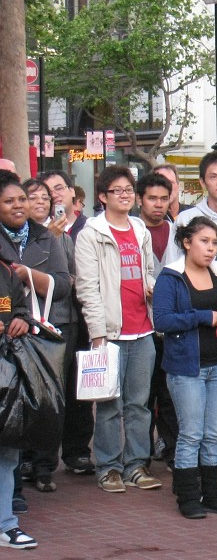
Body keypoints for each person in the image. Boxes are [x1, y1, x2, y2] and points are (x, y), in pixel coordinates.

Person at [75, 165, 161, 493]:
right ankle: (109, 467)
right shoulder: (91, 234)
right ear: (102, 196)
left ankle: (137, 465)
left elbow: (147, 270)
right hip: (110, 331)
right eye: (117, 191)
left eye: (128, 190)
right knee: (109, 404)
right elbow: (87, 287)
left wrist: (153, 287)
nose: (125, 195)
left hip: (143, 329)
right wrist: (97, 331)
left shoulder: (139, 229)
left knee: (138, 404)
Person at [152, 216, 217, 519]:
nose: (211, 249)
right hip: (186, 367)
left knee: (214, 434)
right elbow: (162, 321)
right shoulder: (170, 277)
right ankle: (188, 497)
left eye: (215, 243)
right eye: (205, 241)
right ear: (186, 242)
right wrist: (201, 316)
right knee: (191, 433)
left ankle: (214, 495)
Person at [0, 174, 72, 493]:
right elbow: (6, 295)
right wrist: (11, 314)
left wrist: (29, 275)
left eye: (22, 200)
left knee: (37, 404)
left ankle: (38, 470)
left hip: (35, 335)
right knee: (7, 414)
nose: (19, 206)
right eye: (9, 201)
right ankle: (12, 489)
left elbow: (63, 285)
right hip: (6, 333)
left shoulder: (46, 237)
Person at [40, 171, 93, 475]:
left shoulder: (90, 228)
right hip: (51, 320)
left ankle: (77, 451)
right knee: (51, 387)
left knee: (81, 388)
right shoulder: (38, 233)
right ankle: (43, 459)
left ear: (73, 193)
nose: (55, 196)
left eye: (59, 188)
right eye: (48, 192)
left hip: (84, 319)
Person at [136, 172, 179, 467]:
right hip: (140, 323)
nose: (158, 205)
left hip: (172, 325)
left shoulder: (178, 232)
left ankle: (172, 448)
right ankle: (140, 456)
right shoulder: (132, 231)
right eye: (152, 198)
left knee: (170, 393)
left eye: (164, 198)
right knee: (142, 395)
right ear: (140, 200)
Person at [0, 260, 34, 548]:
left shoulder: (6, 270)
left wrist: (21, 319)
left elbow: (20, 308)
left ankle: (5, 524)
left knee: (7, 449)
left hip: (5, 372)